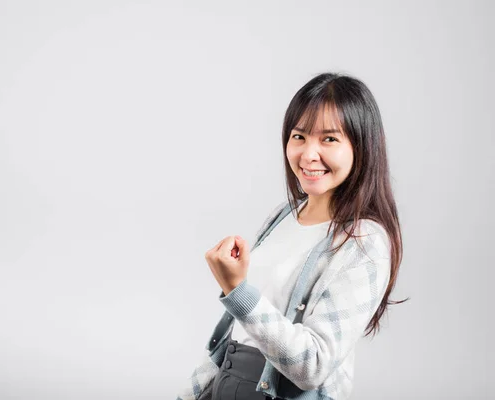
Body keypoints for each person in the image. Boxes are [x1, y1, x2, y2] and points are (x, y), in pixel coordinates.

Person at [174, 72, 406, 400]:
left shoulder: (365, 242)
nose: (308, 154)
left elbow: (312, 365)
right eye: (299, 136)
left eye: (329, 139)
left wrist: (237, 290)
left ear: (362, 146)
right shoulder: (283, 215)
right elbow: (233, 334)